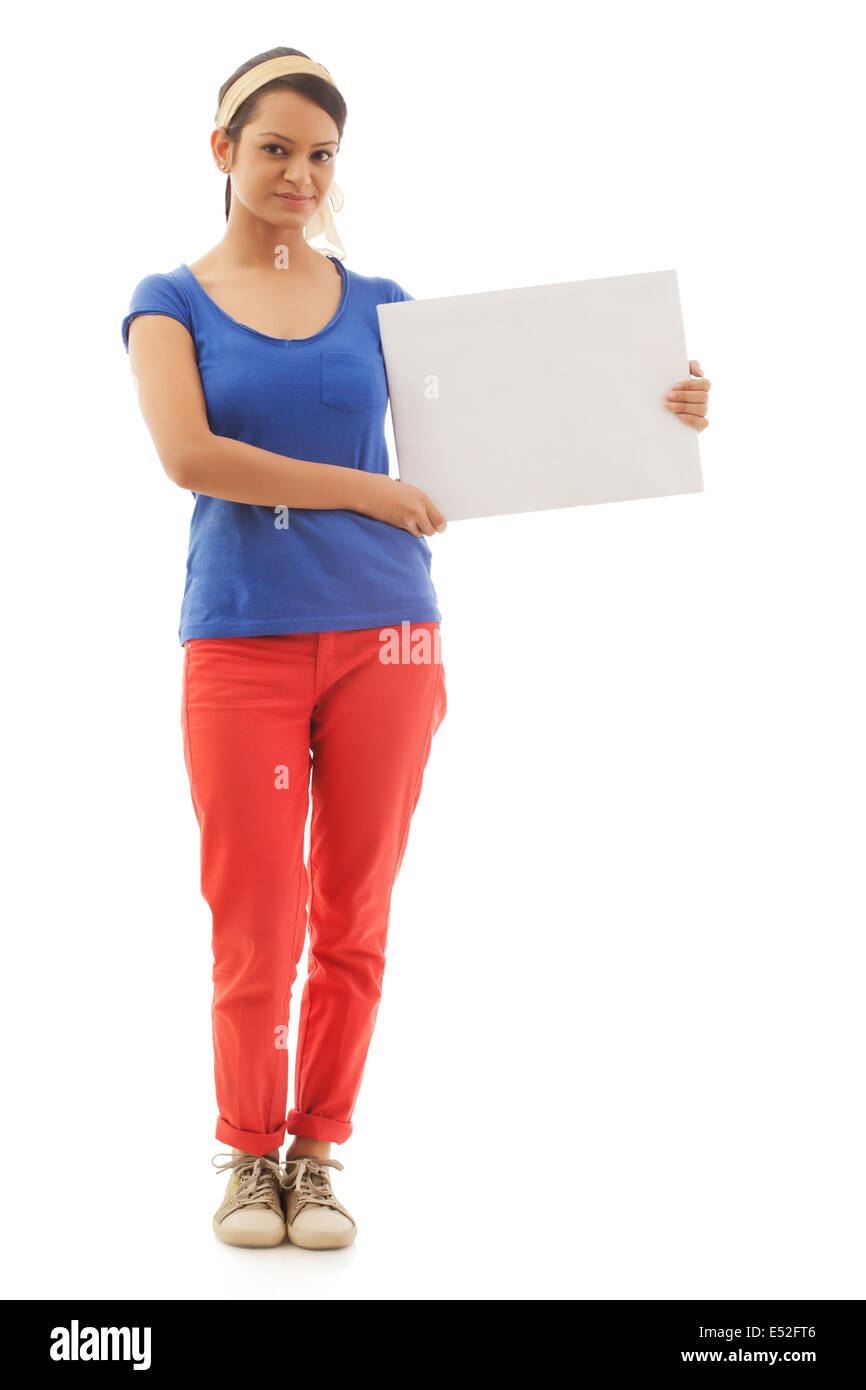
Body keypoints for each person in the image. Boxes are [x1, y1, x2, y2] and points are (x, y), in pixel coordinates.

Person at [121, 46, 448, 1251]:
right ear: (222, 152)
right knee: (255, 915)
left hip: (388, 643)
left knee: (352, 910)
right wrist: (363, 492)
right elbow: (193, 460)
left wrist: (651, 405)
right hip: (243, 646)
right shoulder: (170, 300)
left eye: (320, 155)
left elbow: (503, 428)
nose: (299, 174)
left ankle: (316, 1153)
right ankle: (246, 1154)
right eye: (274, 149)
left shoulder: (384, 305)